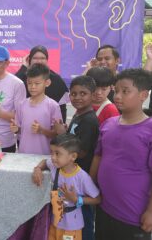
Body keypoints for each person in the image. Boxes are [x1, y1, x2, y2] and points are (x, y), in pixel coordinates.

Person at [90, 69, 152, 240]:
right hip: (104, 207)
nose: (117, 96)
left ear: (143, 95)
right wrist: (89, 185)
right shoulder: (108, 124)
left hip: (133, 215)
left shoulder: (149, 130)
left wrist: (150, 211)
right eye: (116, 90)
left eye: (125, 91)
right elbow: (98, 156)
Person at [54, 75, 99, 240]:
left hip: (82, 179)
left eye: (83, 93)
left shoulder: (89, 121)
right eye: (74, 94)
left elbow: (82, 152)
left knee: (84, 220)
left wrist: (62, 134)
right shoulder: (79, 115)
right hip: (72, 175)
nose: (77, 97)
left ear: (93, 95)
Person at [33, 133, 101, 240]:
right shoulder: (55, 166)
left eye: (57, 153)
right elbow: (45, 162)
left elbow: (97, 199)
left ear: (73, 156)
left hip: (72, 227)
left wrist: (76, 199)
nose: (53, 157)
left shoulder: (82, 177)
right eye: (52, 152)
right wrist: (37, 169)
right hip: (54, 222)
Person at [10, 64, 62, 154]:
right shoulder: (21, 105)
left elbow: (57, 134)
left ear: (47, 83)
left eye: (37, 83)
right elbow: (21, 130)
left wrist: (41, 130)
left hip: (44, 156)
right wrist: (16, 129)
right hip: (23, 154)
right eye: (29, 83)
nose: (33, 86)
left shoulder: (53, 106)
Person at [15, 45, 69, 122]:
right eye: (35, 58)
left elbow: (62, 107)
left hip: (49, 127)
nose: (39, 61)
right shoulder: (24, 75)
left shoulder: (56, 79)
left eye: (42, 58)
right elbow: (14, 86)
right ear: (29, 60)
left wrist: (61, 126)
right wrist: (24, 67)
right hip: (26, 122)